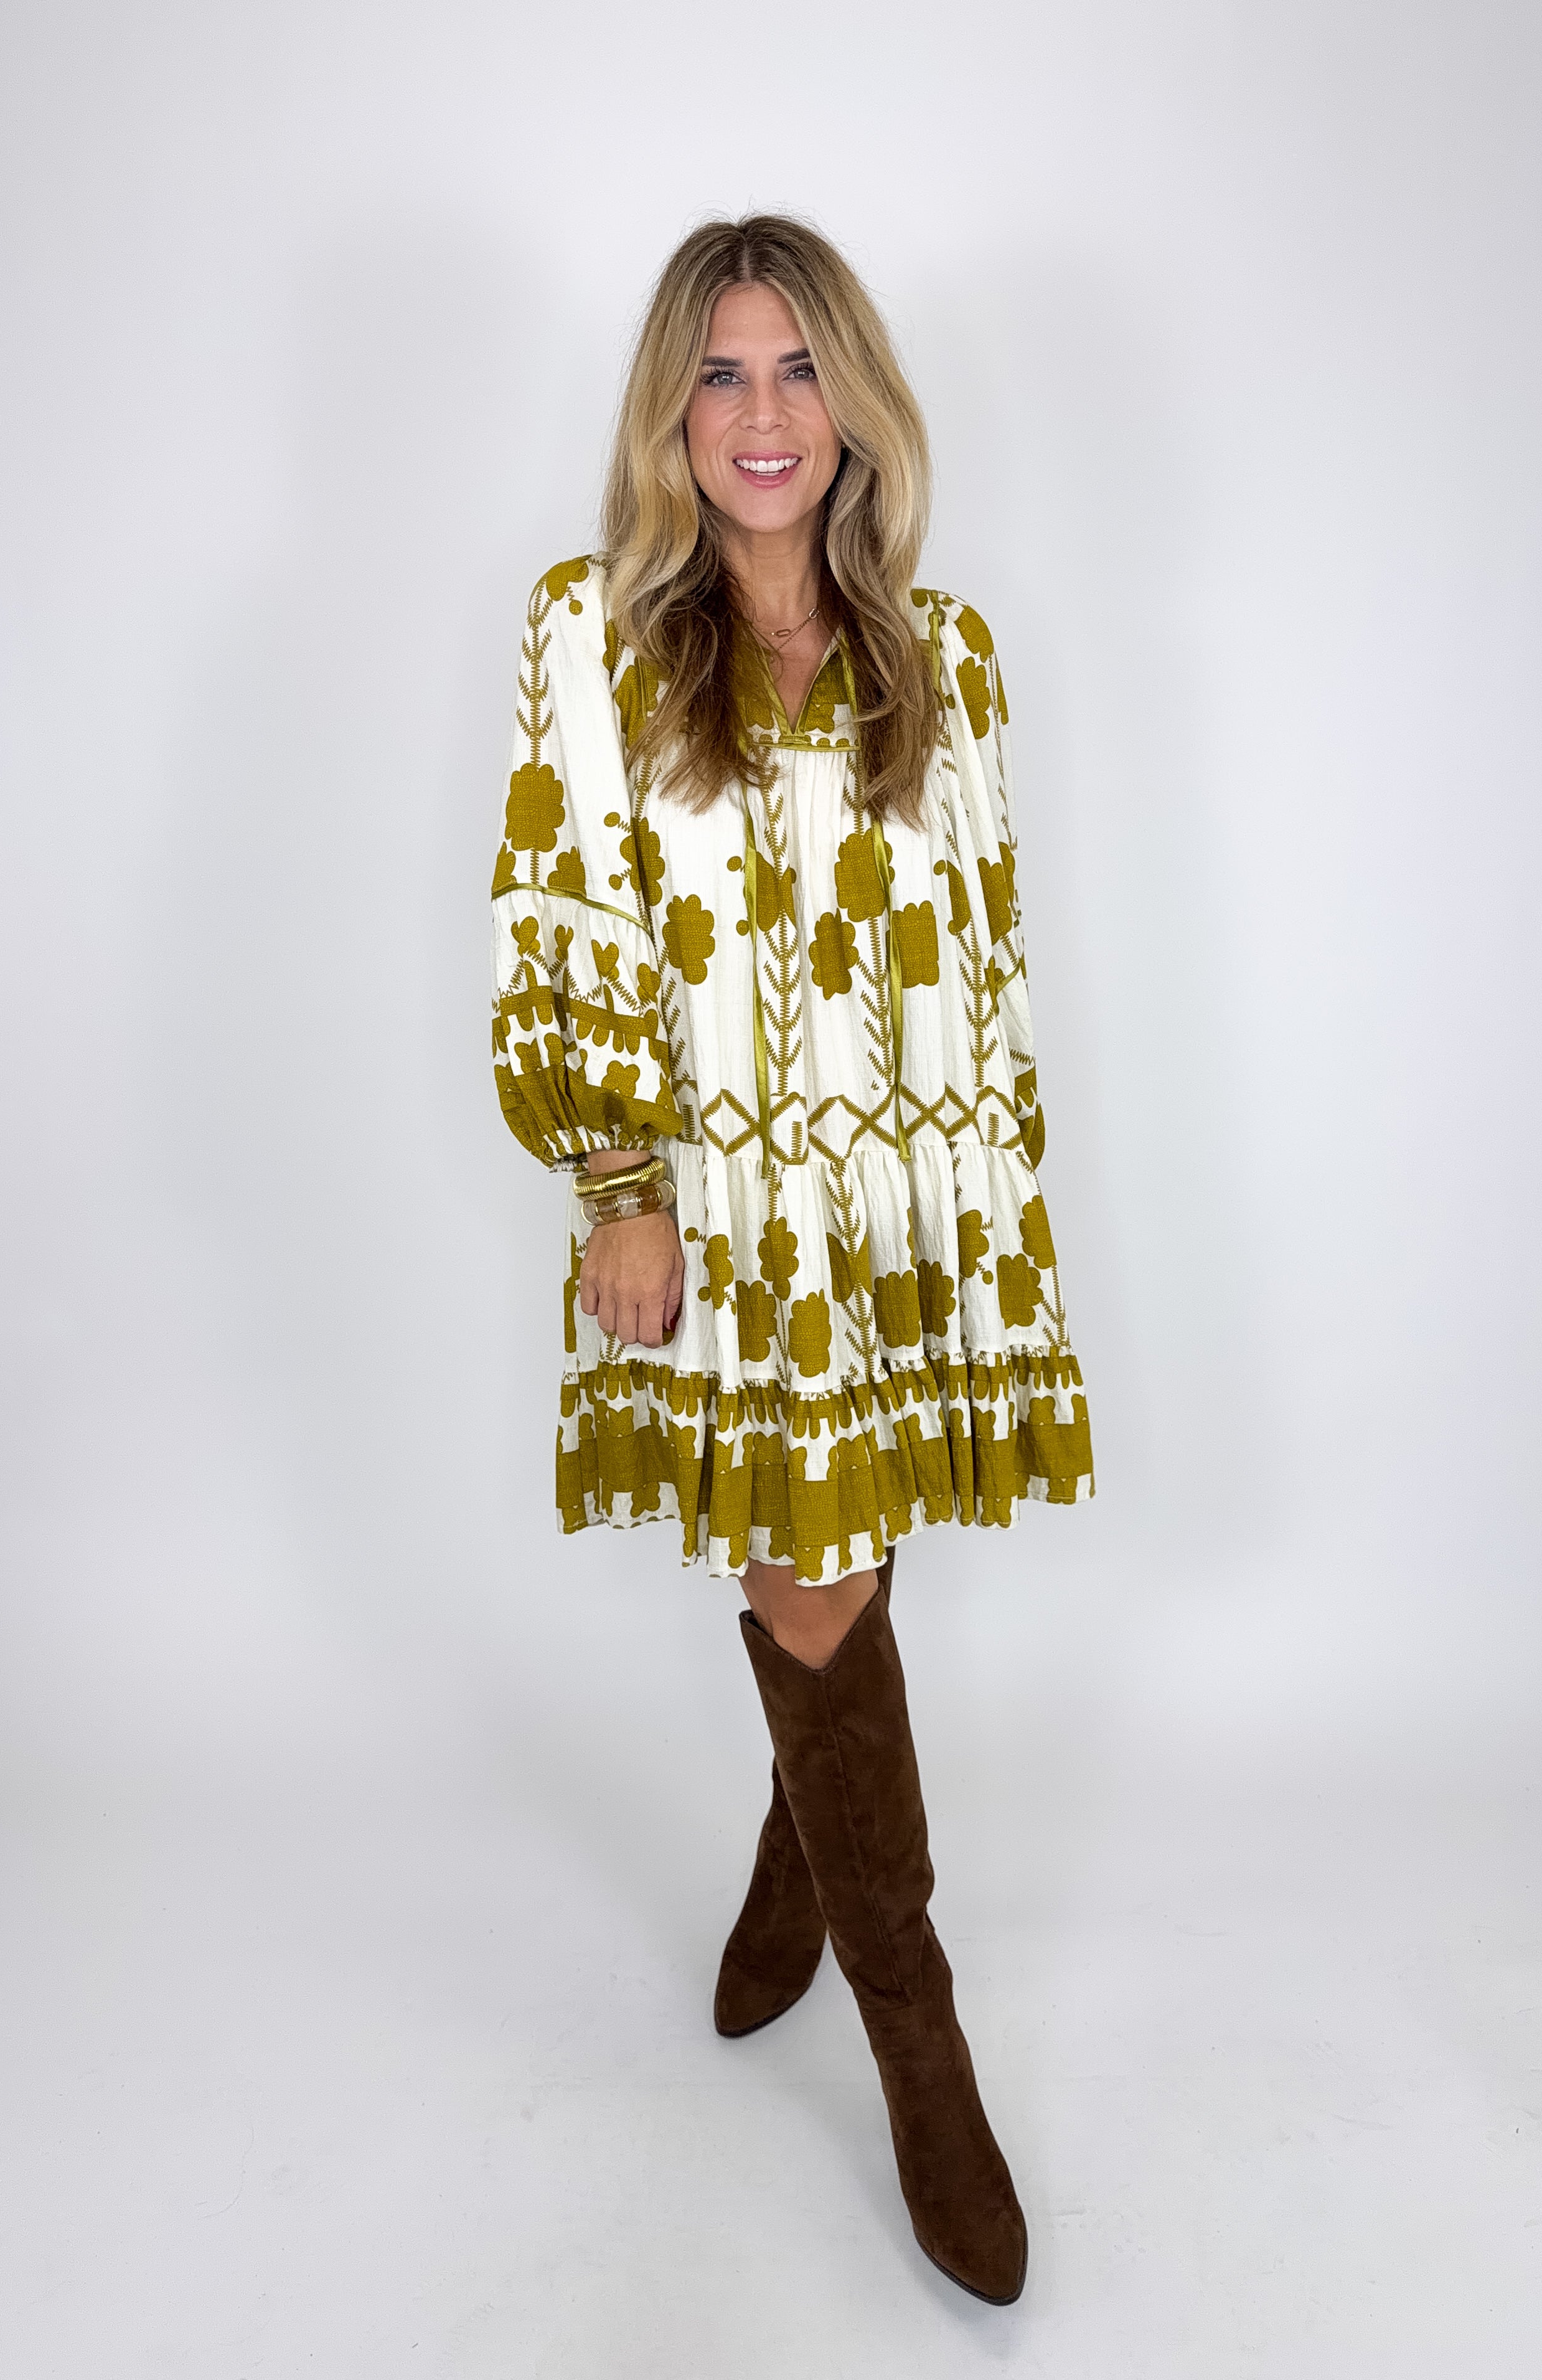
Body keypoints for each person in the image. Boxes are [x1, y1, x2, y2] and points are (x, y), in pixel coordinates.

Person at [491, 213, 1093, 2305]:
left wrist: (991, 1215)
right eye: (721, 373)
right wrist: (616, 1183)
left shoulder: (952, 654)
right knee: (811, 1576)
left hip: (910, 1200)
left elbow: (983, 956)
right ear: (671, 412)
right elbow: (557, 916)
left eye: (799, 368)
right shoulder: (592, 634)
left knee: (840, 1554)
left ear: (855, 401)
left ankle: (792, 1875)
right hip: (721, 1211)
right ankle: (918, 2033)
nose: (764, 414)